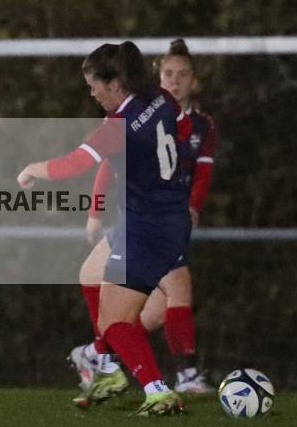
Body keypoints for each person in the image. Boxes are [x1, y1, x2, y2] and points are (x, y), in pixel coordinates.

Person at [17, 41, 190, 416]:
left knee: (113, 322)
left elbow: (72, 165)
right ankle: (109, 370)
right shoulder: (160, 98)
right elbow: (179, 125)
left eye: (94, 84)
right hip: (166, 216)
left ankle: (158, 392)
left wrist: (32, 169)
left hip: (146, 230)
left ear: (114, 83)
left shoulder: (117, 126)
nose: (91, 93)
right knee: (90, 274)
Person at [68, 39, 217, 396]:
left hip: (165, 217)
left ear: (194, 80)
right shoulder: (144, 111)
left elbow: (201, 173)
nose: (175, 80)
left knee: (152, 312)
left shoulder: (198, 124)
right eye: (169, 73)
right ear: (157, 76)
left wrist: (193, 205)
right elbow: (109, 163)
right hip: (147, 221)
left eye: (183, 74)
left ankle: (99, 355)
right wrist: (95, 210)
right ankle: (181, 377)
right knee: (175, 285)